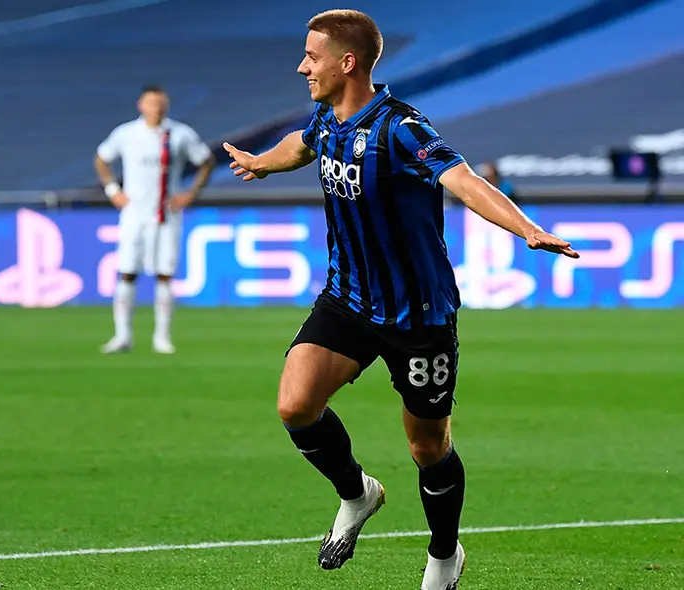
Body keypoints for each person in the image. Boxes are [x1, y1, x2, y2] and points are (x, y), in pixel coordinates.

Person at [223, 10, 578, 589]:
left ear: (347, 62)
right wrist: (263, 162)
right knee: (295, 405)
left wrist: (526, 229)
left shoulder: (401, 127)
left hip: (418, 316)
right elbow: (303, 143)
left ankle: (444, 556)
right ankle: (357, 493)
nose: (301, 66)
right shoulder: (328, 117)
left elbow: (464, 180)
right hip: (348, 300)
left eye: (311, 57)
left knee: (427, 446)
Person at [94, 85, 215, 354]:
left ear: (167, 106)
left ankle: (162, 337)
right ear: (141, 105)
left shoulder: (180, 134)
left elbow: (207, 161)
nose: (156, 108)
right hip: (134, 215)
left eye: (160, 103)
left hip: (166, 214)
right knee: (127, 272)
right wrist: (113, 191)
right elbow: (101, 159)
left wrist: (190, 194)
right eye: (151, 103)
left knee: (164, 275)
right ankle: (122, 335)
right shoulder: (126, 134)